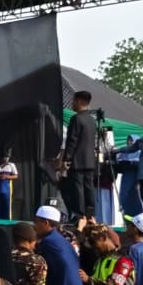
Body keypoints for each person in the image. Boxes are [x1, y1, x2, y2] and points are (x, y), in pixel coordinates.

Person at [61, 92, 97, 220]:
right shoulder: (92, 120)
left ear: (78, 101)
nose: (72, 103)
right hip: (90, 160)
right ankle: (91, 214)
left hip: (77, 160)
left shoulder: (76, 118)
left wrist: (66, 159)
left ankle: (79, 215)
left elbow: (72, 141)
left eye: (73, 100)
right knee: (89, 188)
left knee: (77, 189)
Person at [0, 150, 18, 221]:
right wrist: (0, 176)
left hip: (7, 189)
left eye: (7, 157)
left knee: (6, 205)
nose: (6, 159)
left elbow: (16, 176)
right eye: (4, 157)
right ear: (1, 158)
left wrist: (7, 177)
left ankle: (6, 221)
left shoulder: (11, 165)